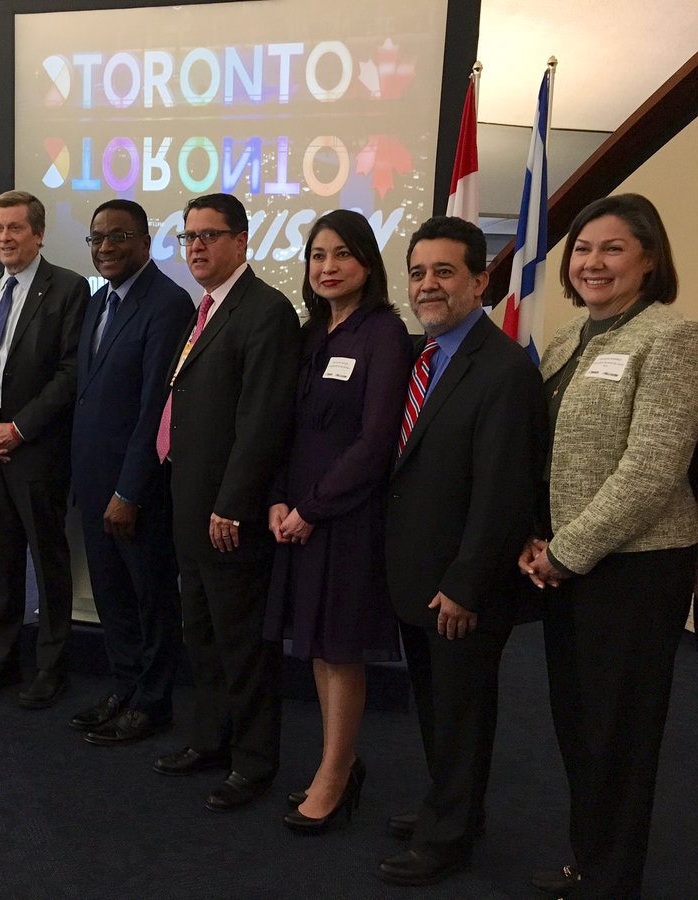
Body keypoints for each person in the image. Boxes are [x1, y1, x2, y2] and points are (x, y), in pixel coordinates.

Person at [519, 194, 698, 899]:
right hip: (569, 563)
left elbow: (653, 465)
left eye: (613, 248)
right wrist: (538, 537)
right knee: (579, 722)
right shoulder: (568, 339)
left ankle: (612, 877)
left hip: (637, 566)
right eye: (583, 249)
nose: (593, 262)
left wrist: (570, 549)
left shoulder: (671, 337)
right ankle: (588, 858)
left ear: (650, 259)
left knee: (621, 735)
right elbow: (545, 452)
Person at [377, 216, 546, 886]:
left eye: (444, 272)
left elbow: (504, 494)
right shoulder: (426, 357)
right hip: (419, 573)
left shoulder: (502, 370)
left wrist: (467, 585)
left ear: (480, 280)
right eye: (418, 272)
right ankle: (450, 809)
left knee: (463, 712)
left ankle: (448, 839)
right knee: (438, 707)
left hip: (460, 586)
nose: (427, 285)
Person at [151, 193, 301, 812]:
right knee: (203, 635)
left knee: (243, 644)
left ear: (243, 241)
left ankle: (254, 763)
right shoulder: (205, 310)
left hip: (227, 516)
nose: (197, 247)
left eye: (210, 235)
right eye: (189, 237)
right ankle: (210, 740)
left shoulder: (264, 312)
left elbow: (261, 421)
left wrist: (233, 504)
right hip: (189, 504)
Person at [264, 210, 411, 832]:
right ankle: (338, 763)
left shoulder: (384, 333)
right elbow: (284, 427)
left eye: (342, 255)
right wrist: (277, 499)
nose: (327, 267)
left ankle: (335, 771)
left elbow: (376, 442)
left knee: (341, 647)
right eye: (318, 255)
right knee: (319, 646)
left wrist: (311, 509)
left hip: (345, 516)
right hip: (298, 512)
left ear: (368, 264)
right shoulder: (310, 333)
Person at [0, 190, 89, 709]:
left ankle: (51, 667)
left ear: (38, 233)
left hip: (36, 451)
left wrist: (18, 429)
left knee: (48, 561)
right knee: (0, 560)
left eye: (15, 228)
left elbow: (71, 371)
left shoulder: (69, 289)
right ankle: (2, 658)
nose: (5, 238)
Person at [69, 199, 193, 745]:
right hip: (94, 483)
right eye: (97, 239)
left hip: (134, 490)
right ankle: (124, 687)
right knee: (112, 596)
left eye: (118, 237)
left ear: (146, 241)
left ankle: (153, 702)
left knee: (150, 598)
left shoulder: (168, 304)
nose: (105, 248)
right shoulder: (99, 304)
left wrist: (128, 490)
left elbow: (155, 410)